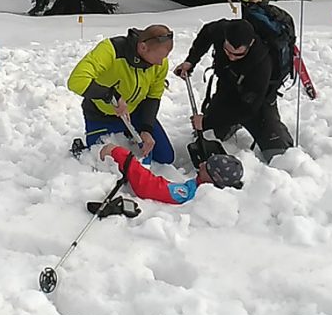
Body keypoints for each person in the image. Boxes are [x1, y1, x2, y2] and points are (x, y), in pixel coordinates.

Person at [174, 19, 293, 163]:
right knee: (208, 132)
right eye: (227, 51)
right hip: (227, 89)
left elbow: (248, 108)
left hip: (258, 102)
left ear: (250, 44)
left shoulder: (262, 63)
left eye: (238, 54)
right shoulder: (222, 30)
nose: (231, 57)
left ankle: (276, 133)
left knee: (278, 154)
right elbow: (207, 33)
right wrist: (191, 61)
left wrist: (205, 120)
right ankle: (230, 123)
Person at [68, 25, 175, 162]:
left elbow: (153, 96)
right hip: (101, 115)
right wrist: (112, 96)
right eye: (159, 57)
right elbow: (76, 81)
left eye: (165, 57)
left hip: (135, 113)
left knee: (166, 157)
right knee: (104, 161)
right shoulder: (111, 50)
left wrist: (146, 128)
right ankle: (83, 149)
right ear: (143, 47)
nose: (161, 63)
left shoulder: (160, 63)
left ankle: (130, 134)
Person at [100, 144, 243, 204]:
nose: (200, 165)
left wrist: (120, 154)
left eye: (205, 167)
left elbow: (148, 186)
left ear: (212, 180)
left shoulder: (188, 193)